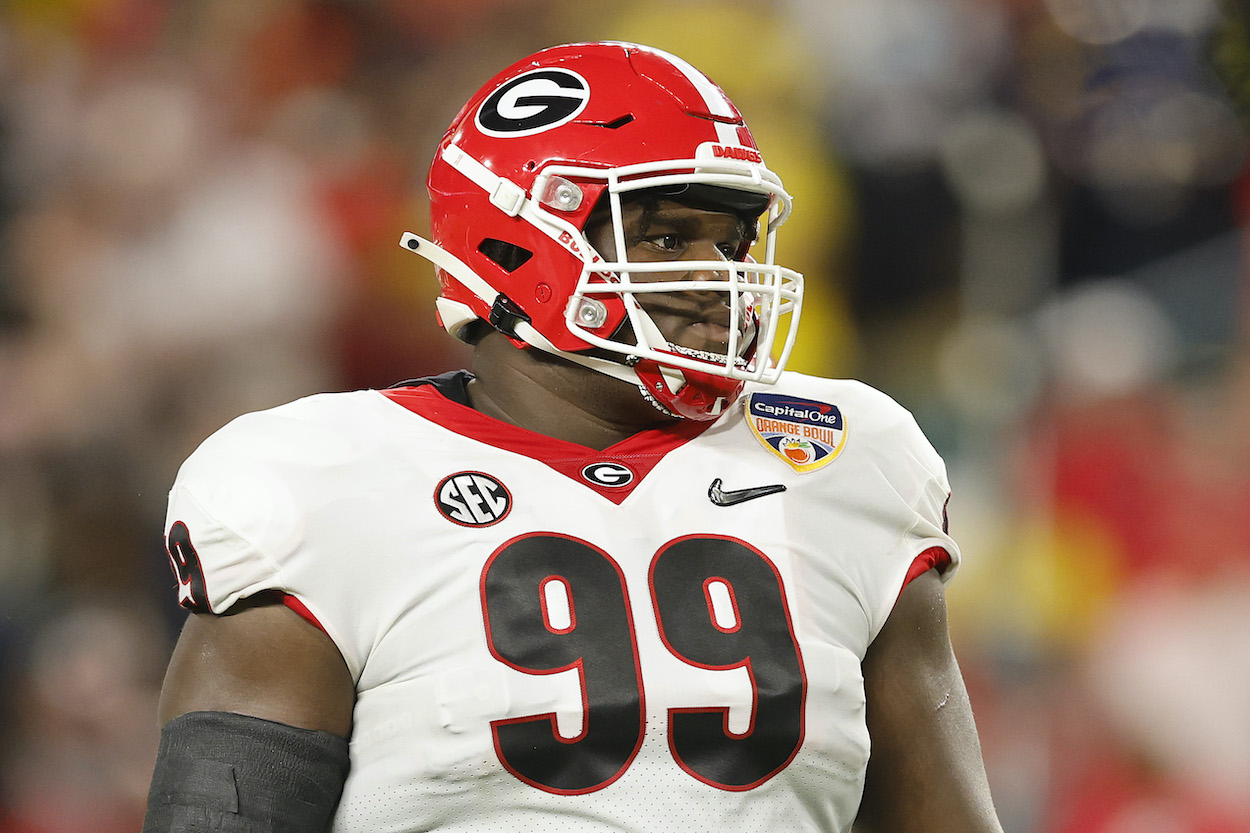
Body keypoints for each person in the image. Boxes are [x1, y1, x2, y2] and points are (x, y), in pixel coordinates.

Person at [142, 41, 1004, 833]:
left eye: (735, 242)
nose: (724, 279)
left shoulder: (844, 455)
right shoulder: (323, 484)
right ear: (518, 244)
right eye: (668, 237)